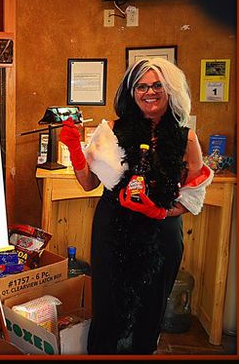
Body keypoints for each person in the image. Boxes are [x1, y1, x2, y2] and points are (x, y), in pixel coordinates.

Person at [59, 57, 213, 354]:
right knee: (107, 305)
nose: (149, 92)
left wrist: (159, 211)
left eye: (157, 85)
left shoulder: (185, 138)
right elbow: (89, 183)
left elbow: (193, 197)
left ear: (170, 90)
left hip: (162, 232)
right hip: (113, 228)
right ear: (132, 92)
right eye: (141, 86)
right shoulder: (111, 131)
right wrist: (75, 151)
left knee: (151, 309)